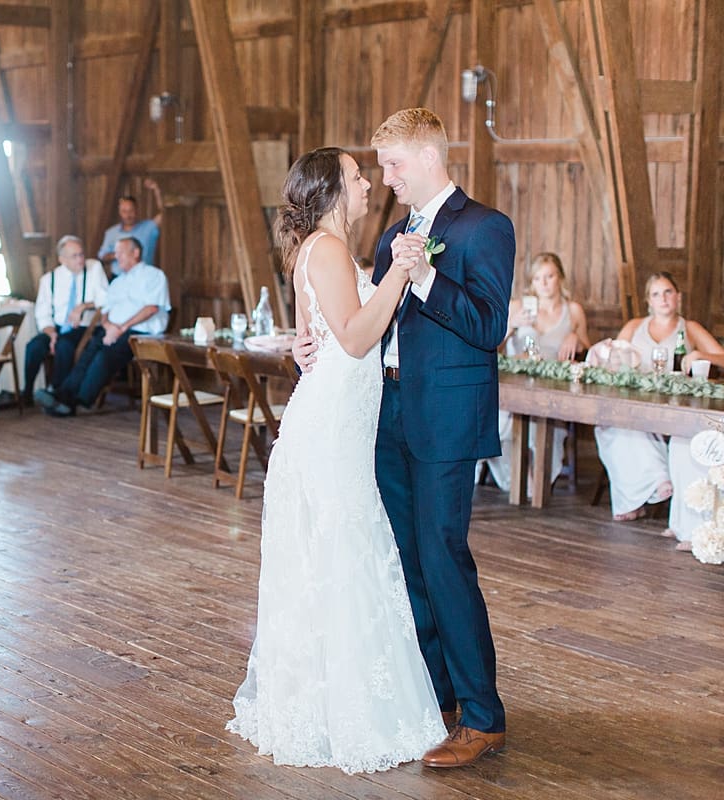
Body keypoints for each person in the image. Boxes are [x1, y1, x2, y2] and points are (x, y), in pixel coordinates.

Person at [293, 109, 513, 768]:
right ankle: (437, 698)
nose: (385, 178)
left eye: (392, 165)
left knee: (444, 556)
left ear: (426, 157)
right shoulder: (392, 234)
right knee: (407, 561)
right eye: (378, 168)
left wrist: (424, 278)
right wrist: (312, 347)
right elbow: (365, 324)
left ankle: (482, 715)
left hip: (445, 417)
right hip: (384, 416)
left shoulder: (483, 228)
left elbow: (488, 325)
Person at [226, 147, 445, 773]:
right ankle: (346, 713)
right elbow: (351, 337)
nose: (367, 183)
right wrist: (401, 275)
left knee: (340, 555)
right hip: (328, 431)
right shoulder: (323, 249)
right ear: (331, 190)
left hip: (342, 424)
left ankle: (333, 703)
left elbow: (312, 341)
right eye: (356, 176)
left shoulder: (322, 251)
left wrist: (303, 345)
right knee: (345, 554)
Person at [595, 272, 724, 528]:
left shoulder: (689, 328)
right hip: (636, 401)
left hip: (673, 404)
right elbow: (614, 362)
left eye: (668, 292)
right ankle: (647, 488)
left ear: (678, 297)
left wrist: (700, 353)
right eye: (656, 294)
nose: (663, 299)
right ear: (648, 301)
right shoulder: (634, 326)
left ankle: (658, 483)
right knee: (614, 425)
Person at [481, 252, 590, 491]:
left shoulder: (573, 311)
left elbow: (588, 351)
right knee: (500, 426)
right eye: (538, 278)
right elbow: (492, 347)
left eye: (549, 276)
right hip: (514, 386)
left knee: (547, 429)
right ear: (531, 282)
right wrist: (511, 326)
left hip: (553, 388)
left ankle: (538, 481)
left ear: (560, 277)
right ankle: (516, 481)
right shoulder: (518, 307)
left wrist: (575, 337)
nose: (544, 283)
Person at [34, 236, 168, 417]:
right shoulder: (118, 281)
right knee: (88, 353)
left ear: (135, 253)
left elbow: (151, 308)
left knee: (104, 356)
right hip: (113, 329)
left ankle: (73, 400)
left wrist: (121, 328)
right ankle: (63, 396)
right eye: (116, 253)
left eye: (121, 253)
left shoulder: (153, 275)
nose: (117, 257)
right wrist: (107, 325)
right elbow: (105, 308)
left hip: (141, 332)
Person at [24, 235, 109, 395]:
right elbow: (43, 313)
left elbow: (105, 299)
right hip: (56, 326)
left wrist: (83, 306)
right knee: (34, 347)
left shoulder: (94, 268)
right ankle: (27, 391)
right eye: (74, 256)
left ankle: (56, 391)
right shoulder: (49, 279)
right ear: (62, 259)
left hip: (83, 327)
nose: (80, 259)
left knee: (64, 346)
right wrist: (51, 333)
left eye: (81, 254)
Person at [97, 179, 163, 272]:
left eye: (131, 210)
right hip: (119, 279)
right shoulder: (111, 233)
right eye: (124, 211)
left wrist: (156, 189)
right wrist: (120, 254)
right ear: (119, 212)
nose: (128, 215)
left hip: (144, 278)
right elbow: (102, 256)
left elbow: (165, 213)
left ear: (136, 210)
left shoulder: (149, 228)